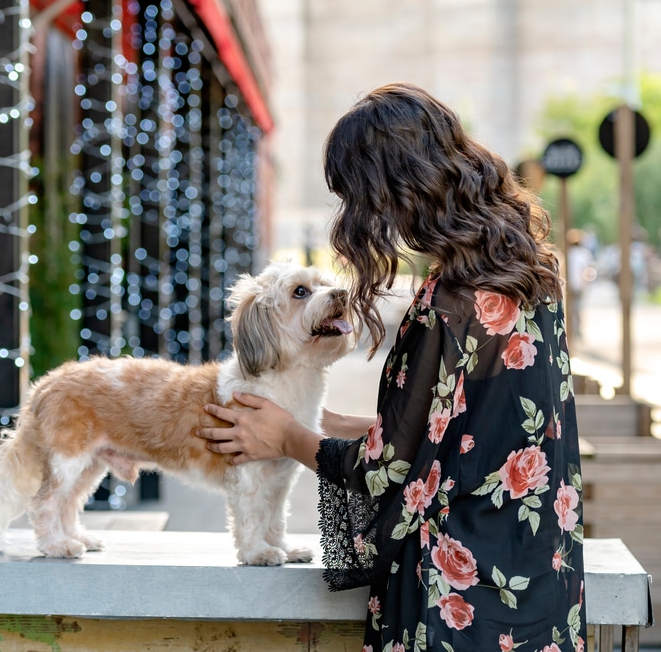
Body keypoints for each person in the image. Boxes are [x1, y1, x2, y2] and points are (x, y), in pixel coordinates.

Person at [198, 83, 586, 652]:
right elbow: (462, 432)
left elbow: (389, 471)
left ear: (397, 186)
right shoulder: (524, 270)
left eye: (358, 196)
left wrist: (287, 436)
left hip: (455, 604)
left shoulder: (450, 300)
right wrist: (332, 423)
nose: (362, 215)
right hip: (537, 590)